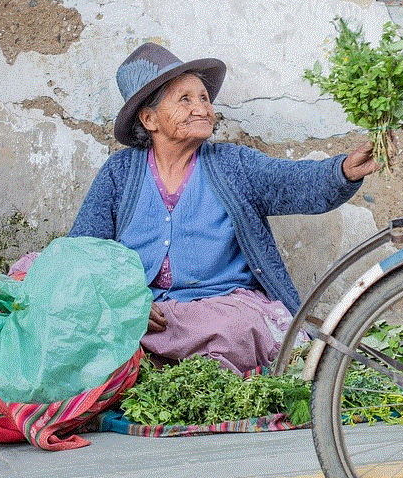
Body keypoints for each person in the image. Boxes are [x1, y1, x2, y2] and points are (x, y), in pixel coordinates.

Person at [67, 41, 379, 376]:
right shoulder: (120, 173)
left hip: (221, 310)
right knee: (72, 310)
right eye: (185, 99)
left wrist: (343, 171)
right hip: (143, 315)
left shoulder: (233, 164)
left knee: (235, 329)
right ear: (149, 119)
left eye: (203, 98)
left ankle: (157, 365)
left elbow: (292, 183)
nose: (201, 108)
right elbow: (84, 253)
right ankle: (154, 360)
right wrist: (126, 304)